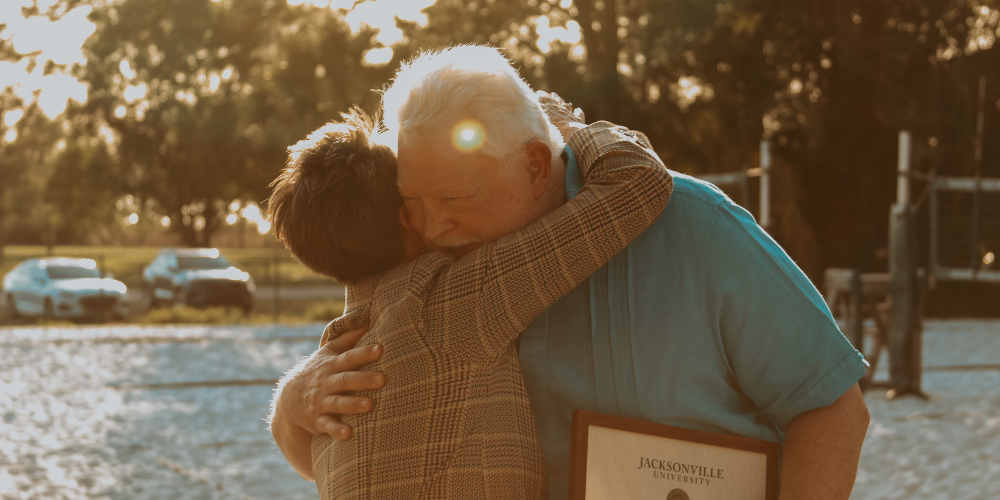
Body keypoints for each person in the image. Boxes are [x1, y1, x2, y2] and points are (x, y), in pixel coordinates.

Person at [270, 46, 870, 500]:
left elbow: (831, 408)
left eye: (454, 199)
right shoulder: (432, 269)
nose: (431, 227)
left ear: (535, 164)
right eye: (414, 205)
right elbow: (343, 451)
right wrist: (295, 402)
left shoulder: (693, 224)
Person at [266, 101, 673, 498]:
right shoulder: (449, 301)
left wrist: (288, 402)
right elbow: (638, 180)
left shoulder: (334, 363)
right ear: (408, 219)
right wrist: (569, 131)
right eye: (421, 197)